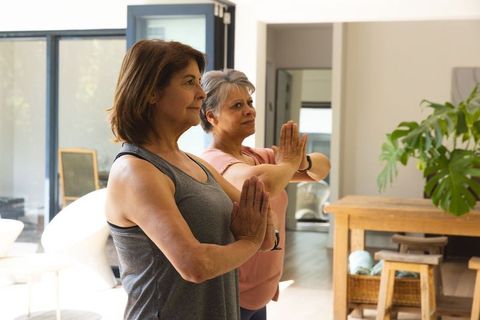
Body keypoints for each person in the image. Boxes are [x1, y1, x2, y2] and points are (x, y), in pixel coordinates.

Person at [105, 40, 275, 320]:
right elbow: (195, 265)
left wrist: (256, 233)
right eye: (188, 82)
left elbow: (265, 234)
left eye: (199, 82)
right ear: (150, 92)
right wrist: (249, 242)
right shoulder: (135, 171)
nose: (200, 93)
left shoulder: (194, 162)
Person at [200, 68, 331, 320]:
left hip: (260, 292)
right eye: (236, 105)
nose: (249, 110)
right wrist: (290, 164)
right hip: (231, 294)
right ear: (211, 116)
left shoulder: (256, 156)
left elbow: (322, 167)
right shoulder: (213, 161)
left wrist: (299, 162)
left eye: (249, 102)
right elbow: (263, 182)